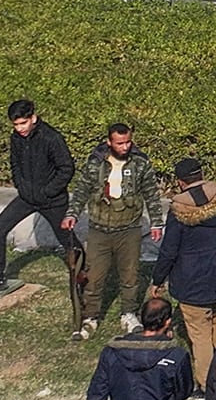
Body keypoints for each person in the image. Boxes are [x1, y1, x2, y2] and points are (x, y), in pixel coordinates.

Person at [0, 99, 77, 299]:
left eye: (23, 123)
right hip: (26, 197)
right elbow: (15, 163)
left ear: (33, 118)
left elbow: (66, 168)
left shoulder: (51, 138)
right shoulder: (16, 138)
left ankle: (85, 276)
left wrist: (48, 191)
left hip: (52, 200)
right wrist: (21, 186)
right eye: (16, 124)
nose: (20, 128)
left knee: (68, 241)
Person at [67, 122, 160, 342]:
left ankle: (129, 313)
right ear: (109, 142)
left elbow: (151, 194)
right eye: (120, 143)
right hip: (99, 229)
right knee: (94, 276)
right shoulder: (95, 163)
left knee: (130, 275)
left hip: (129, 229)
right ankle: (90, 316)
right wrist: (72, 214)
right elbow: (81, 190)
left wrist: (157, 223)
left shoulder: (140, 163)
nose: (125, 146)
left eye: (128, 141)